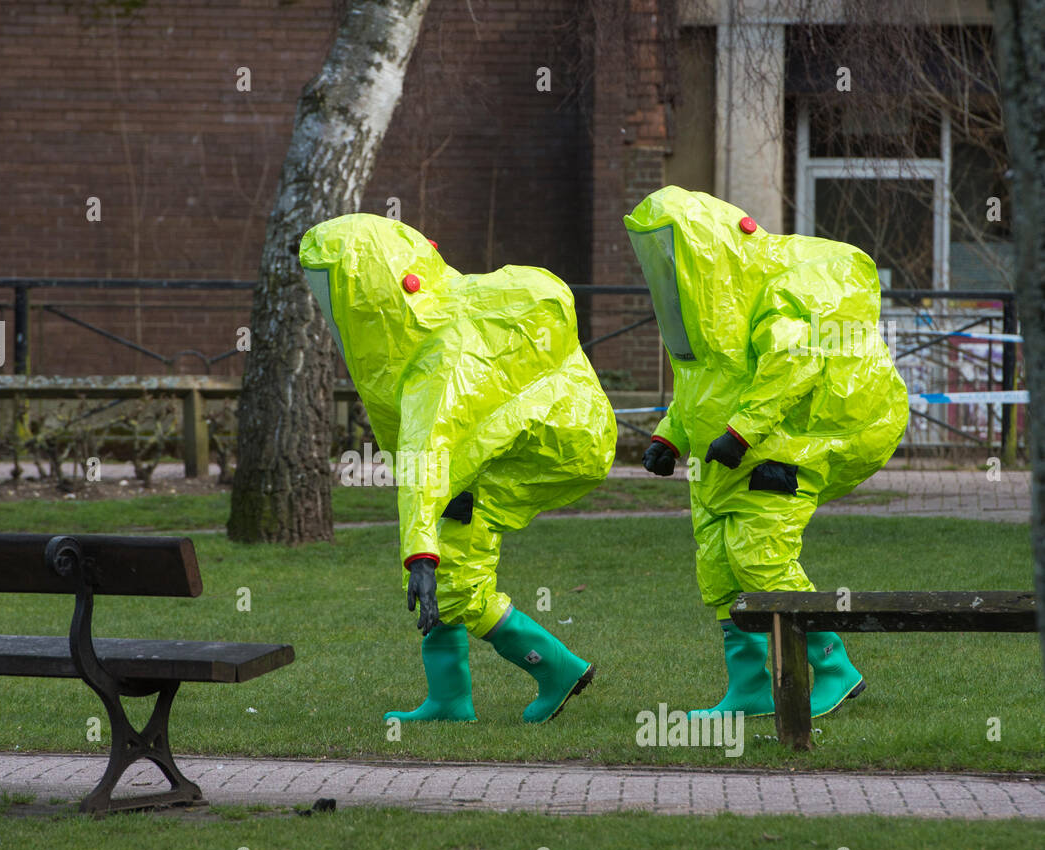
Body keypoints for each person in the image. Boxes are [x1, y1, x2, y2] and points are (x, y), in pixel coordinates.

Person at [299, 214, 618, 723]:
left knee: (456, 582)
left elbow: (428, 449)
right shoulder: (423, 334)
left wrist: (419, 552)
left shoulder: (441, 354)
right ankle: (451, 699)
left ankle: (556, 668)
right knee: (451, 571)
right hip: (512, 449)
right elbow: (414, 437)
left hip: (531, 454)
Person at [624, 186, 909, 719]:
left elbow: (793, 366)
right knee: (719, 569)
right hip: (718, 469)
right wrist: (669, 436)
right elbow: (699, 389)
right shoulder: (704, 328)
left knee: (763, 561)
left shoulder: (767, 301)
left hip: (772, 461)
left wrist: (742, 433)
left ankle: (834, 668)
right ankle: (751, 683)